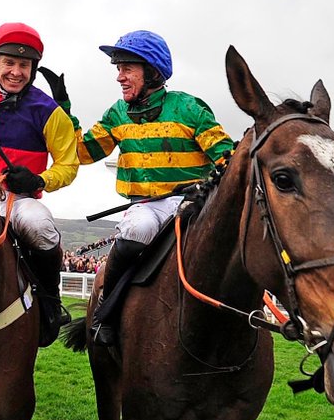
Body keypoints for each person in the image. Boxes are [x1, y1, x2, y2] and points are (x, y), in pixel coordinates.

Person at [74, 30, 236, 346]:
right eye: (118, 69)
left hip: (191, 202)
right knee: (137, 229)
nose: (119, 77)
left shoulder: (189, 108)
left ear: (151, 72)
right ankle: (105, 311)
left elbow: (224, 156)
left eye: (126, 68)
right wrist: (65, 111)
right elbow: (83, 152)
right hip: (145, 206)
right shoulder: (117, 114)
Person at [0, 22, 79, 347]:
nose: (16, 72)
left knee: (40, 225)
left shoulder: (49, 111)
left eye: (24, 65)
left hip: (19, 200)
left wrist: (39, 179)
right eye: (9, 63)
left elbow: (69, 165)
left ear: (33, 69)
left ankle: (50, 301)